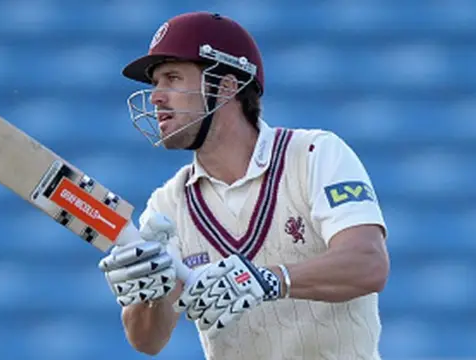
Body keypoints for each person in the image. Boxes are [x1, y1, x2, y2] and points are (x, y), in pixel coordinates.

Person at [98, 11, 390, 360]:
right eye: (155, 83)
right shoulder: (168, 205)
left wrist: (268, 279)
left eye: (173, 78)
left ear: (226, 87)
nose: (157, 97)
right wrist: (146, 296)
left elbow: (368, 263)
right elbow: (147, 341)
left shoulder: (314, 154)